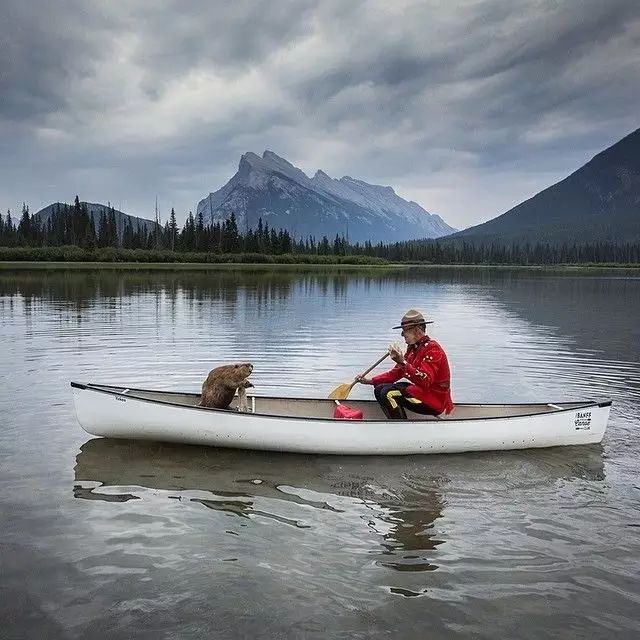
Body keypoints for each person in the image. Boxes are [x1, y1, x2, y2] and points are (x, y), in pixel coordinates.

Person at [355, 309, 453, 419]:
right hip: (422, 393)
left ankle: (399, 428)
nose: (402, 334)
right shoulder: (413, 350)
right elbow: (396, 373)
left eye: (405, 330)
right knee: (379, 389)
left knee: (388, 393)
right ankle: (394, 421)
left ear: (417, 330)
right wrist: (370, 381)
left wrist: (402, 362)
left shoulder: (433, 350)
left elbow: (425, 381)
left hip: (434, 400)